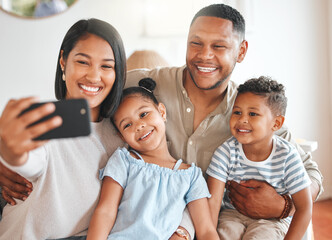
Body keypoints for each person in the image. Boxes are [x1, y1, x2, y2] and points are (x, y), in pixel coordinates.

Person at [124, 3, 323, 239]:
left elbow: (312, 174)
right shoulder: (144, 86)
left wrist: (284, 205)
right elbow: (96, 88)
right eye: (195, 43)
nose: (204, 55)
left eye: (219, 46)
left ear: (241, 51)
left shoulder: (250, 114)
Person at [0, 18, 126, 239]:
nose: (94, 76)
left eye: (106, 66)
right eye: (83, 62)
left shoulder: (123, 135)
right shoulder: (46, 121)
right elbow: (29, 160)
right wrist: (10, 151)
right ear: (63, 62)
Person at [86, 78, 218, 240]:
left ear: (161, 112)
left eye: (143, 114)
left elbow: (206, 230)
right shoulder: (123, 161)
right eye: (127, 125)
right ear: (122, 136)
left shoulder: (191, 176)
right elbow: (105, 211)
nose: (139, 126)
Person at [207, 76, 312, 240]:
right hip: (232, 215)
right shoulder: (225, 152)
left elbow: (305, 208)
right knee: (226, 233)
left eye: (253, 114)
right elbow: (213, 204)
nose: (242, 119)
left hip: (272, 221)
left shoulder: (287, 156)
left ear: (276, 124)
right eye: (237, 112)